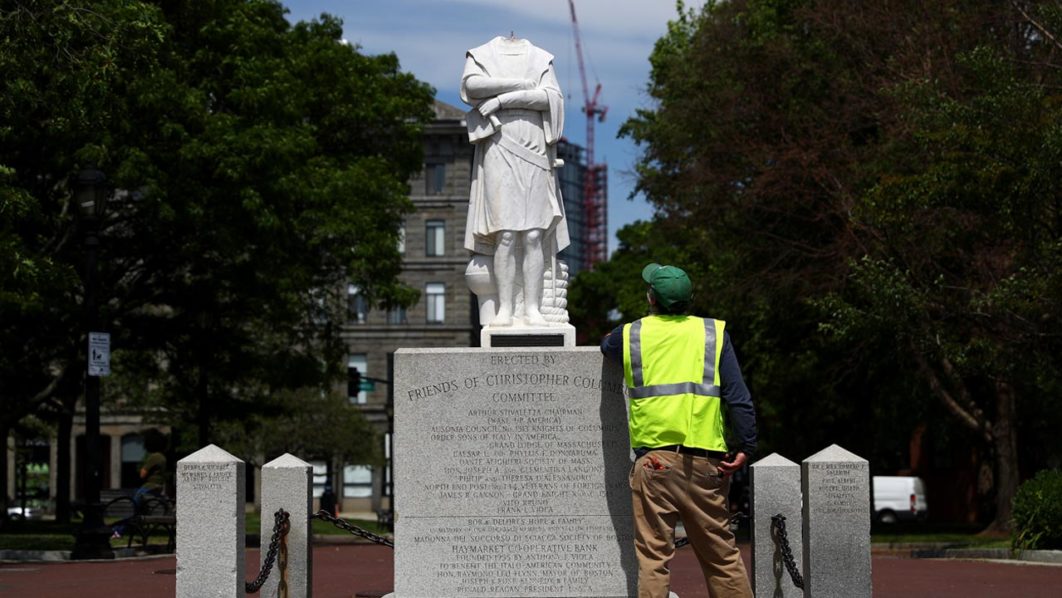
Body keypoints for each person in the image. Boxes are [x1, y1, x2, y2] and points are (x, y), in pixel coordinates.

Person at [600, 263, 756, 598]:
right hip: (706, 463)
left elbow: (607, 345)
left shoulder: (632, 334)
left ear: (651, 298)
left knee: (653, 560)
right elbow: (737, 396)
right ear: (690, 299)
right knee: (722, 558)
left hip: (654, 462)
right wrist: (746, 444)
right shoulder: (713, 333)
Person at [461, 35, 570, 326]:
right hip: (499, 143)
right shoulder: (481, 53)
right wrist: (520, 84)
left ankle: (532, 308)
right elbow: (472, 87)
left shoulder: (541, 57)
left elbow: (549, 98)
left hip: (534, 144)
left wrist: (500, 100)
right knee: (505, 234)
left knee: (534, 235)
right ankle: (506, 308)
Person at [112, 429, 167, 538]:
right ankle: (118, 529)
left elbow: (142, 474)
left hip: (147, 487)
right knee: (137, 512)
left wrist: (143, 469)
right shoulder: (163, 457)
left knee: (133, 511)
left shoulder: (153, 457)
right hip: (157, 488)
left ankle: (118, 531)